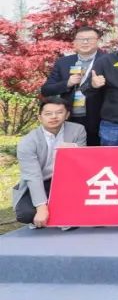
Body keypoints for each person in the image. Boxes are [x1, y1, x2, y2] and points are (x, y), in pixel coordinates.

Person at [13, 98, 86, 228]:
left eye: (59, 112)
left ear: (67, 115)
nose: (54, 117)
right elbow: (33, 176)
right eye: (48, 113)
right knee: (25, 213)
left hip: (68, 180)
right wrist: (41, 208)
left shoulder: (77, 130)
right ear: (40, 117)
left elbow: (82, 160)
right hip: (41, 180)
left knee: (85, 205)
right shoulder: (28, 142)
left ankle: (65, 214)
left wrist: (73, 148)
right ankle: (59, 214)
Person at [41, 26, 105, 146]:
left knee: (96, 154)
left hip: (99, 119)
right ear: (74, 42)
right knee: (72, 153)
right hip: (70, 118)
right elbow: (46, 90)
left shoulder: (108, 61)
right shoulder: (63, 62)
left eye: (89, 39)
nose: (85, 42)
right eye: (81, 39)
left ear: (98, 41)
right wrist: (67, 83)